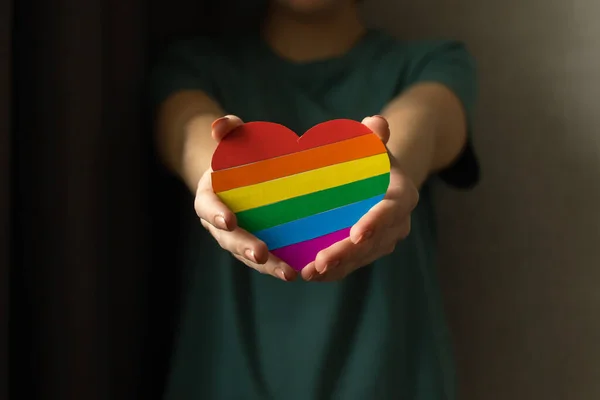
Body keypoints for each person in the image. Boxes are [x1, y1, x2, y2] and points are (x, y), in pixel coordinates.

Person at [150, 0, 479, 398]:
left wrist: (384, 170)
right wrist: (217, 178)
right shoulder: (192, 66)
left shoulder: (433, 64)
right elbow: (188, 130)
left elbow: (424, 121)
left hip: (390, 379)